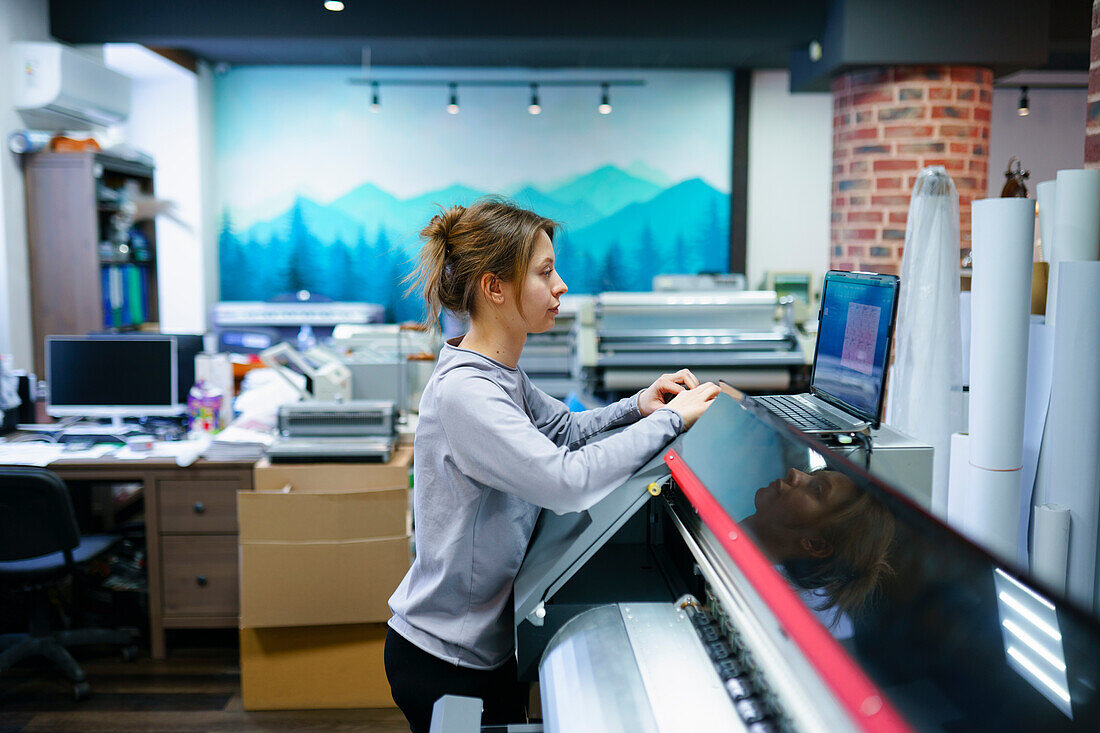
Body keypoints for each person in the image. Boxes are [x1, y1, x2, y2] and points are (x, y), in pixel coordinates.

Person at [384, 198, 719, 732]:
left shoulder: (499, 373)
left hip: (485, 646)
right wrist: (671, 422)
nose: (561, 285)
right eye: (545, 272)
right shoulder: (468, 392)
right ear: (495, 288)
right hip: (446, 658)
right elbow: (566, 481)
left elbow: (563, 430)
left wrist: (641, 405)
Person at [742, 467, 896, 625]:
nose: (794, 473)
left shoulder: (747, 595)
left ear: (815, 545)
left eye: (816, 489)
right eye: (812, 475)